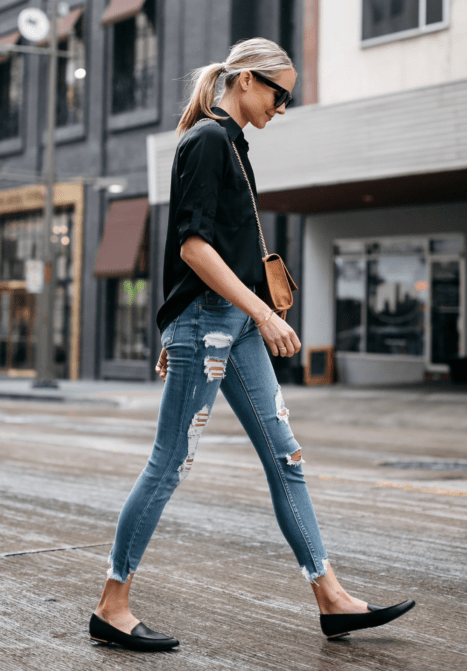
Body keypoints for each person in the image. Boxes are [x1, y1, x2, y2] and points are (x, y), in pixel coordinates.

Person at [89, 38, 415, 651]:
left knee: (285, 457)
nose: (282, 106)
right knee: (168, 463)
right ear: (244, 81)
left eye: (288, 97)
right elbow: (191, 247)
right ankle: (112, 604)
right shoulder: (207, 140)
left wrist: (233, 320)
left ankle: (331, 597)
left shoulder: (231, 145)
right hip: (213, 323)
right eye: (277, 92)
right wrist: (254, 314)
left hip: (228, 327)